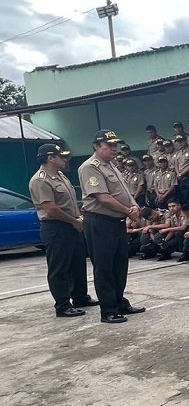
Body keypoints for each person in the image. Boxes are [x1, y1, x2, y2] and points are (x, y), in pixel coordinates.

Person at [78, 129, 146, 324]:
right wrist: (127, 210)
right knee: (104, 266)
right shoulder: (90, 167)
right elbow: (103, 198)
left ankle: (119, 302)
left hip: (116, 221)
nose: (114, 150)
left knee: (119, 264)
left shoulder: (111, 165)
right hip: (100, 222)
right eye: (109, 147)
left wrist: (133, 206)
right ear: (96, 147)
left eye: (115, 146)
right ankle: (108, 310)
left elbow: (124, 190)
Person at [29, 143, 97, 318]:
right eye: (61, 156)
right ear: (50, 158)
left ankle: (80, 297)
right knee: (59, 267)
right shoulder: (40, 180)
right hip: (56, 227)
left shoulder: (60, 176)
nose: (65, 159)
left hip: (72, 224)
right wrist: (73, 221)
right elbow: (50, 209)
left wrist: (78, 216)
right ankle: (63, 304)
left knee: (77, 263)